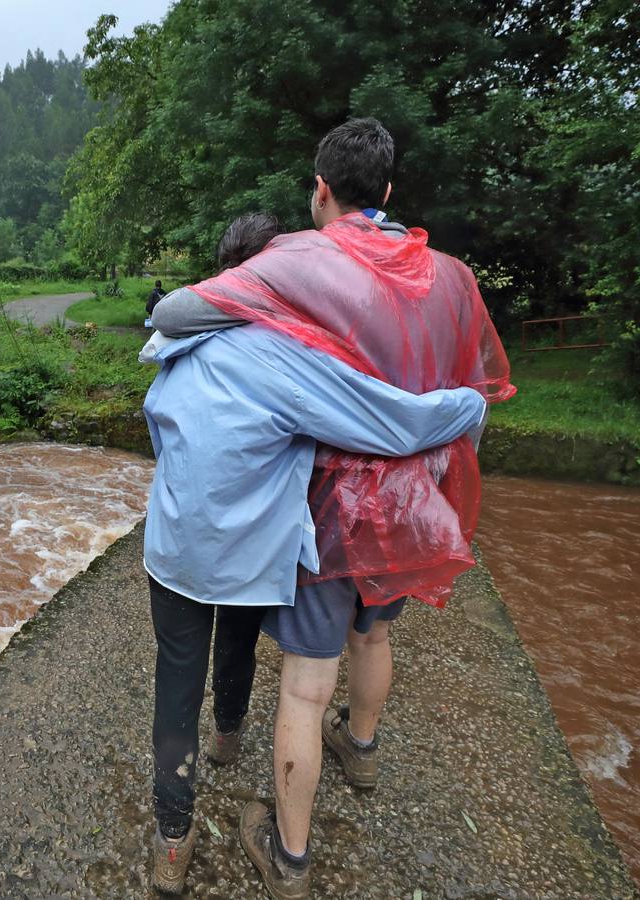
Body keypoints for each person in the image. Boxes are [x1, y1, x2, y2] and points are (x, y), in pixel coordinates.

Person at [155, 118, 513, 897]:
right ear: (387, 191)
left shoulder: (300, 260)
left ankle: (289, 855)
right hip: (420, 505)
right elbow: (476, 381)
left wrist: (253, 317)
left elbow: (178, 313)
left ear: (320, 189)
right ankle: (364, 748)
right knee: (376, 633)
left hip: (335, 507)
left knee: (304, 686)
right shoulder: (452, 277)